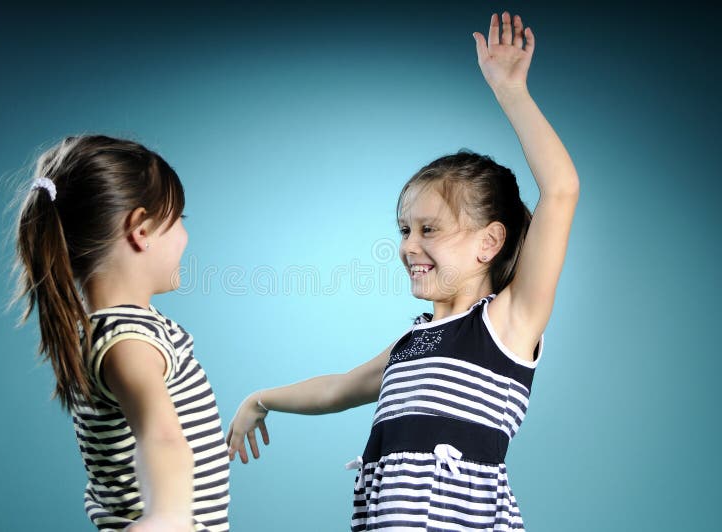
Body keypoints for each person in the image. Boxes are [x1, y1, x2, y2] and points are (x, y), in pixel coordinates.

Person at [226, 11, 579, 531]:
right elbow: (339, 388)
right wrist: (260, 399)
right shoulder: (412, 344)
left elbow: (562, 190)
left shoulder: (507, 326)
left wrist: (510, 92)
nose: (409, 246)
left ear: (489, 242)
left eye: (429, 229)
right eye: (404, 230)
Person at [11, 136, 230, 531]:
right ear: (140, 230)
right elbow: (161, 436)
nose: (184, 235)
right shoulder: (127, 341)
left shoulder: (122, 329)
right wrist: (167, 516)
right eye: (180, 219)